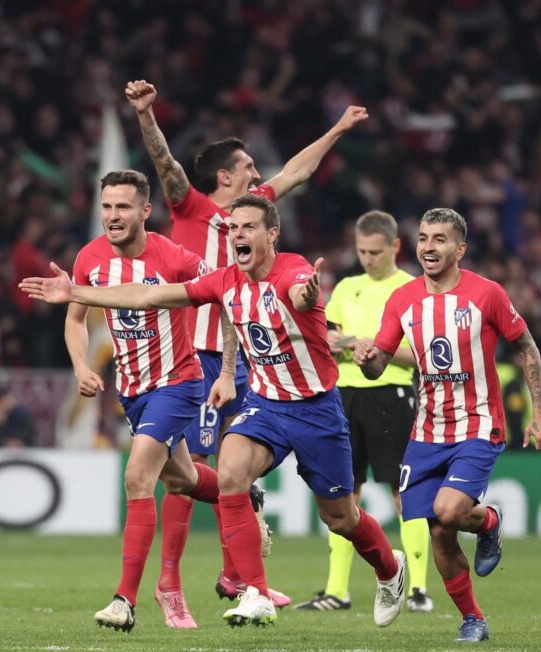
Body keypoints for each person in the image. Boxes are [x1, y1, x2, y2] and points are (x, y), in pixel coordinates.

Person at [22, 193, 407, 629]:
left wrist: (308, 294)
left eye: (248, 227)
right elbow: (149, 297)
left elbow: (299, 294)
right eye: (233, 228)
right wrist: (75, 291)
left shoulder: (294, 270)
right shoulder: (225, 281)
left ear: (271, 234)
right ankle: (256, 592)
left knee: (341, 517)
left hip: (316, 409)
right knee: (229, 474)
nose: (238, 234)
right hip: (265, 406)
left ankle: (389, 570)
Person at [125, 79, 368, 621]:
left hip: (250, 358)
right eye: (249, 168)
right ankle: (170, 587)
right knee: (195, 472)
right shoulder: (189, 207)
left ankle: (239, 578)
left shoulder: (254, 215)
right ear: (223, 177)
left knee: (236, 472)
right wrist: (146, 116)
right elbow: (165, 164)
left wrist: (338, 129)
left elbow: (299, 171)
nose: (259, 175)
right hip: (200, 355)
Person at [354, 208, 541, 642]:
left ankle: (487, 522)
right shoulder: (403, 300)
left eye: (440, 239)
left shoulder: (487, 294)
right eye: (424, 237)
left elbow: (526, 346)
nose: (429, 246)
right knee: (439, 532)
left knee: (449, 510)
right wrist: (369, 360)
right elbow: (381, 364)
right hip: (426, 430)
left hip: (479, 423)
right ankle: (473, 619)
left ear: (459, 249)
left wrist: (540, 411)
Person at [46, 169, 229, 633]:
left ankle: (124, 601)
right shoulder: (90, 257)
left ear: (145, 211)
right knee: (185, 479)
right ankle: (242, 494)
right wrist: (82, 366)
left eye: (123, 207)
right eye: (107, 206)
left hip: (178, 382)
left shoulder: (175, 257)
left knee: (137, 476)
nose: (112, 216)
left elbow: (225, 297)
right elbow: (75, 319)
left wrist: (226, 369)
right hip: (133, 391)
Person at [295, 210, 433, 613]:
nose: (368, 258)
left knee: (403, 492)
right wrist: (349, 342)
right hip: (343, 397)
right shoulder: (346, 288)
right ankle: (337, 590)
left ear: (394, 246)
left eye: (375, 251)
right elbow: (327, 337)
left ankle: (418, 589)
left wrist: (375, 348)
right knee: (343, 493)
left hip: (392, 395)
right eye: (362, 251)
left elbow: (422, 356)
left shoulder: (413, 288)